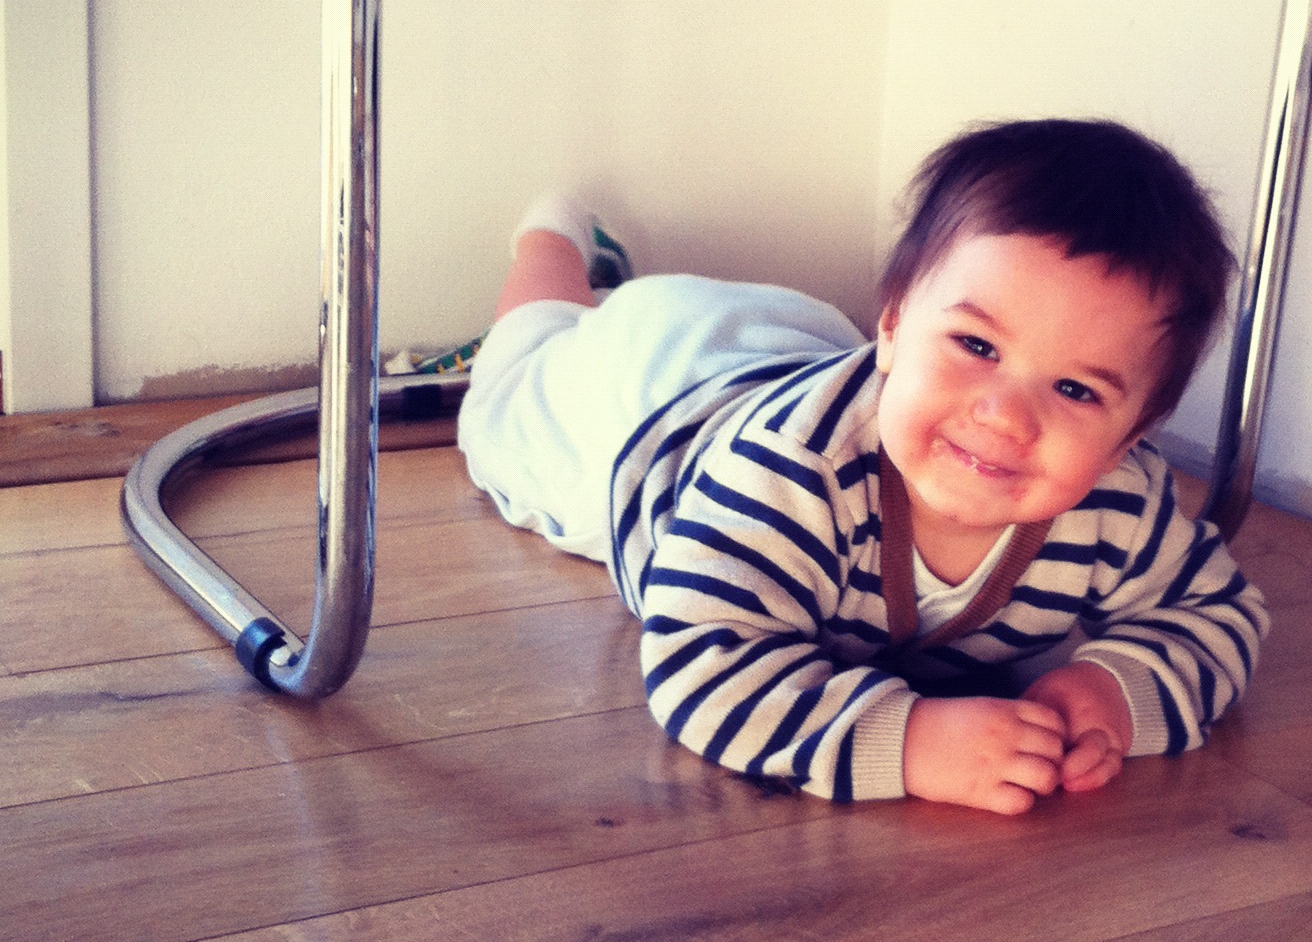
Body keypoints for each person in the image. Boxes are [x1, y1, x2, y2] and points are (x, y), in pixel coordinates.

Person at [457, 117, 1267, 814]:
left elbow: (1217, 617)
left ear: (1132, 438)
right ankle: (554, 240)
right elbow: (703, 665)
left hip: (791, 345)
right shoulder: (786, 477)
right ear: (893, 325)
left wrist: (1114, 691)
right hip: (648, 403)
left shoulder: (1120, 502)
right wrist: (908, 741)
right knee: (526, 352)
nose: (1006, 416)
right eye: (976, 344)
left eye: (1076, 390)